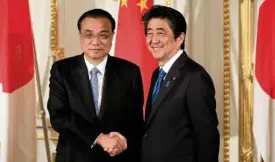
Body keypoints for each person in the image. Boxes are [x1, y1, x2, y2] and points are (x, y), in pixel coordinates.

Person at [47, 9, 144, 162]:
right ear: (80, 36)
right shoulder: (62, 69)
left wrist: (121, 141)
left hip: (117, 157)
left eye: (103, 35)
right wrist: (99, 138)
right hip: (74, 156)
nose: (96, 41)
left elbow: (135, 120)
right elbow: (59, 116)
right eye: (88, 35)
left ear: (112, 36)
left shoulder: (130, 71)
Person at [141, 5, 220, 162]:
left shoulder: (195, 76)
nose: (153, 40)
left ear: (180, 38)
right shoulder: (158, 73)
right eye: (149, 33)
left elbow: (207, 139)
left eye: (160, 33)